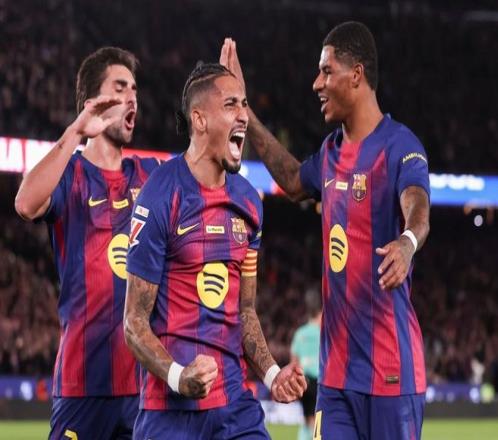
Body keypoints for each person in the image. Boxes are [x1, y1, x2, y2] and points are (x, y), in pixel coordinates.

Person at [221, 20, 430, 440]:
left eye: (326, 71)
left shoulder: (399, 145)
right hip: (334, 377)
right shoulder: (331, 152)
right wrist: (245, 110)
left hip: (390, 372)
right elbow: (292, 180)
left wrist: (407, 242)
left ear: (356, 75)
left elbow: (417, 205)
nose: (317, 83)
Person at [124, 62, 307, 440]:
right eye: (230, 104)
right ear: (199, 119)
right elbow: (134, 321)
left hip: (234, 408)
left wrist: (272, 374)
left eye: (244, 104)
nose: (243, 115)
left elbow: (245, 310)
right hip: (170, 413)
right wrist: (179, 376)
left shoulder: (249, 202)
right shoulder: (160, 194)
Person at [15, 47, 160, 439]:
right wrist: (76, 132)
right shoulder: (71, 174)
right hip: (82, 385)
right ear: (93, 103)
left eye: (135, 90)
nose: (132, 98)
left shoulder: (149, 175)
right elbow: (25, 204)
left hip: (143, 388)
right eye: (120, 88)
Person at [291, 288, 321, 440]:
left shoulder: (300, 333)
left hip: (304, 382)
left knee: (308, 419)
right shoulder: (324, 333)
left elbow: (293, 363)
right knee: (318, 421)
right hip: (320, 382)